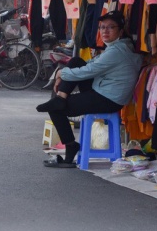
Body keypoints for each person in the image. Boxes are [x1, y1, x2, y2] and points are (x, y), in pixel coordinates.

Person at [36, 10, 142, 168]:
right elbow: (91, 65)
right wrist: (64, 74)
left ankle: (71, 145)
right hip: (104, 91)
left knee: (57, 110)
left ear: (120, 31)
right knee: (76, 61)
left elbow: (89, 71)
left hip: (108, 99)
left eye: (110, 27)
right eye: (102, 27)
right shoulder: (119, 47)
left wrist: (60, 72)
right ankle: (60, 98)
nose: (105, 31)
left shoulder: (117, 52)